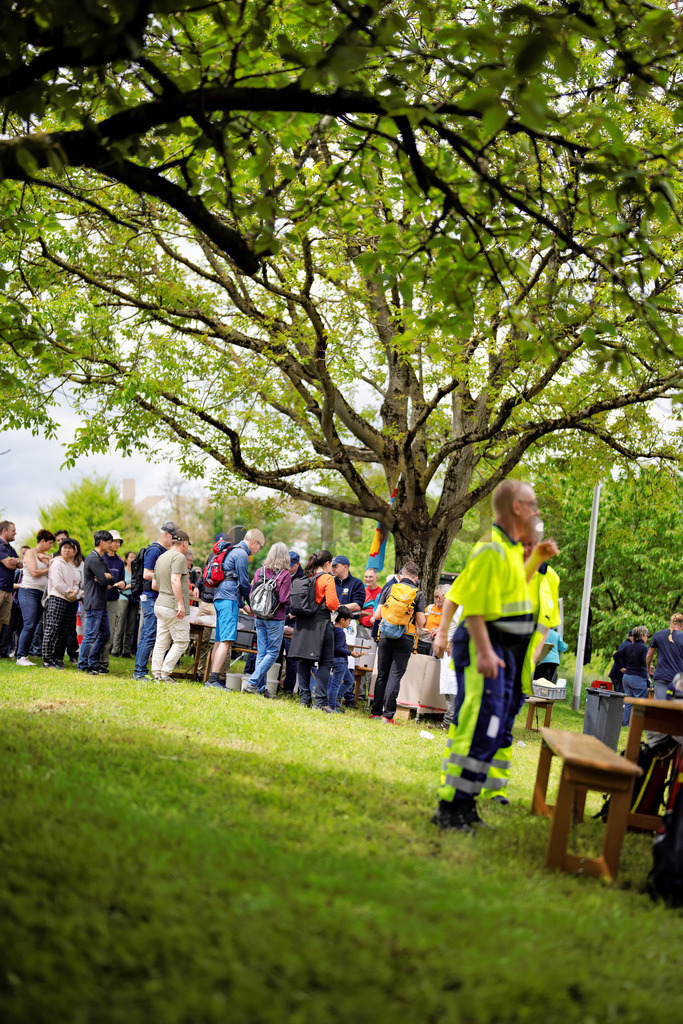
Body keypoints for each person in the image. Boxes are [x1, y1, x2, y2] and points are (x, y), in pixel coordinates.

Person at [431, 479, 557, 832]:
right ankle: (450, 808)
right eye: (532, 504)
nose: (537, 511)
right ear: (516, 507)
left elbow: (511, 594)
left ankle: (466, 806)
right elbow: (477, 606)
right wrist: (485, 652)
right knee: (476, 727)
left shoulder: (509, 549)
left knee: (492, 728)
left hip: (505, 653)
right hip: (487, 650)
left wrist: (538, 560)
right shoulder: (491, 550)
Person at [205, 528, 265, 688]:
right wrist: (252, 605)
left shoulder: (232, 550)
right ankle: (213, 680)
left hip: (220, 597)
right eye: (260, 547)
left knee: (219, 640)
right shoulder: (242, 554)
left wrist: (243, 606)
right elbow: (245, 583)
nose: (258, 551)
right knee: (226, 641)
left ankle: (213, 678)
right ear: (254, 542)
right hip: (229, 599)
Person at [370, 561, 426, 723]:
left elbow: (378, 615)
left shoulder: (389, 588)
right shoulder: (418, 593)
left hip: (386, 636)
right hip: (405, 637)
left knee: (382, 674)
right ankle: (387, 716)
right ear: (416, 578)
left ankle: (375, 712)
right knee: (395, 676)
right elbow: (421, 622)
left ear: (401, 575)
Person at [288, 549, 339, 709]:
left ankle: (304, 699)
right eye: (332, 564)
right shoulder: (327, 578)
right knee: (325, 662)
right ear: (327, 563)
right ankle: (321, 702)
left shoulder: (306, 577)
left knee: (304, 661)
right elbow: (332, 604)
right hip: (321, 623)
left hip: (303, 622)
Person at [243, 541, 292, 697]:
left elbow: (252, 593)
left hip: (259, 616)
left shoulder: (260, 571)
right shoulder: (285, 575)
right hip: (275, 618)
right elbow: (284, 599)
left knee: (262, 652)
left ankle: (260, 688)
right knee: (272, 652)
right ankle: (252, 682)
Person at [150, 530, 197, 682]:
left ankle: (157, 673)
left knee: (161, 640)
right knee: (182, 641)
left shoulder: (161, 557)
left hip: (160, 604)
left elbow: (154, 585)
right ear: (184, 543)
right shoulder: (179, 557)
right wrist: (180, 604)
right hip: (172, 606)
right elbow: (175, 580)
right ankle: (165, 673)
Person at [132, 521, 176, 681]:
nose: (174, 542)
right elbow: (147, 574)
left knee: (154, 634)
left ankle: (144, 670)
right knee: (148, 633)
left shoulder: (164, 551)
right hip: (149, 596)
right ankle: (139, 672)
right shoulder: (154, 551)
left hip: (157, 597)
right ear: (165, 534)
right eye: (173, 537)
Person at [15, 528, 55, 666]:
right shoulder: (29, 553)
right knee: (29, 623)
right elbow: (33, 572)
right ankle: (20, 656)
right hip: (28, 591)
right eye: (50, 543)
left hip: (41, 593)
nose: (51, 546)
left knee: (36, 625)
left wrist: (50, 559)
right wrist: (49, 567)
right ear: (42, 541)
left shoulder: (47, 555)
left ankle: (25, 654)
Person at [78, 530, 115, 675]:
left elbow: (110, 578)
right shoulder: (93, 559)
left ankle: (93, 662)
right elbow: (103, 580)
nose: (111, 545)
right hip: (93, 602)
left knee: (105, 634)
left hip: (101, 603)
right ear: (101, 542)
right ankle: (82, 665)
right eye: (109, 542)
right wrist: (105, 578)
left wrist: (106, 577)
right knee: (90, 635)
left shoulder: (101, 559)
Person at [42, 538, 81, 668]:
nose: (67, 550)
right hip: (57, 598)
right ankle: (47, 660)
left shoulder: (69, 565)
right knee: (52, 629)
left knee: (62, 631)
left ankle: (56, 658)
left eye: (70, 548)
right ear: (61, 549)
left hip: (69, 600)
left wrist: (74, 592)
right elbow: (57, 583)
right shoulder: (56, 563)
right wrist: (69, 593)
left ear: (74, 550)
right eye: (65, 547)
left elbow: (76, 583)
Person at [99, 529, 126, 671]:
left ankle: (104, 663)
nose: (116, 544)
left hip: (114, 600)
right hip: (100, 598)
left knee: (109, 632)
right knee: (97, 631)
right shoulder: (100, 558)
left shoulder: (120, 562)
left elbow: (122, 581)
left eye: (118, 542)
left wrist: (122, 585)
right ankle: (92, 660)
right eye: (114, 541)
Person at [282, 551, 306, 696]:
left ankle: (288, 689)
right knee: (276, 654)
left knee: (291, 657)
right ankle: (274, 683)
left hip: (294, 622)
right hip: (279, 618)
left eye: (291, 565)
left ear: (297, 564)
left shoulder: (303, 579)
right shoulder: (282, 573)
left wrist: (292, 615)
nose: (288, 567)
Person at [646, 614, 683, 701]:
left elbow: (649, 654)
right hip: (678, 679)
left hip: (661, 676)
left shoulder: (658, 635)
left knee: (660, 706)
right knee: (677, 707)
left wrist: (648, 667)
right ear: (681, 625)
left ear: (671, 622)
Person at [0, 521, 23, 656]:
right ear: (4, 531)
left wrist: (15, 561)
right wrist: (14, 562)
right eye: (13, 530)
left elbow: (20, 564)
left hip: (8, 591)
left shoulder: (11, 548)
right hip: (0, 589)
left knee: (3, 623)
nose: (15, 533)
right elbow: (9, 564)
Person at [111, 550, 139, 658]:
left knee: (130, 627)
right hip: (122, 598)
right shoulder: (122, 571)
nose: (133, 559)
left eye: (134, 557)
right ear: (126, 559)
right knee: (120, 625)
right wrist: (129, 586)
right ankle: (116, 649)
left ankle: (126, 651)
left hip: (134, 600)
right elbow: (118, 584)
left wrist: (130, 586)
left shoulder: (137, 572)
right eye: (131, 557)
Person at [621, 625, 650, 726]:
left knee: (629, 702)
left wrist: (622, 667)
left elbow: (617, 656)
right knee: (639, 703)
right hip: (637, 677)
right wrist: (650, 667)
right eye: (647, 635)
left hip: (626, 676)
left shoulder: (628, 646)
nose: (647, 637)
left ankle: (626, 723)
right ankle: (636, 725)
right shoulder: (644, 648)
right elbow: (644, 662)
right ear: (642, 636)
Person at [327, 606, 353, 712]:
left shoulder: (332, 629)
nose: (349, 624)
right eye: (349, 621)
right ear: (342, 620)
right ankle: (331, 705)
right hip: (340, 661)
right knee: (336, 684)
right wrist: (350, 652)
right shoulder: (340, 632)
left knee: (349, 681)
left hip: (336, 660)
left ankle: (335, 699)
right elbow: (338, 648)